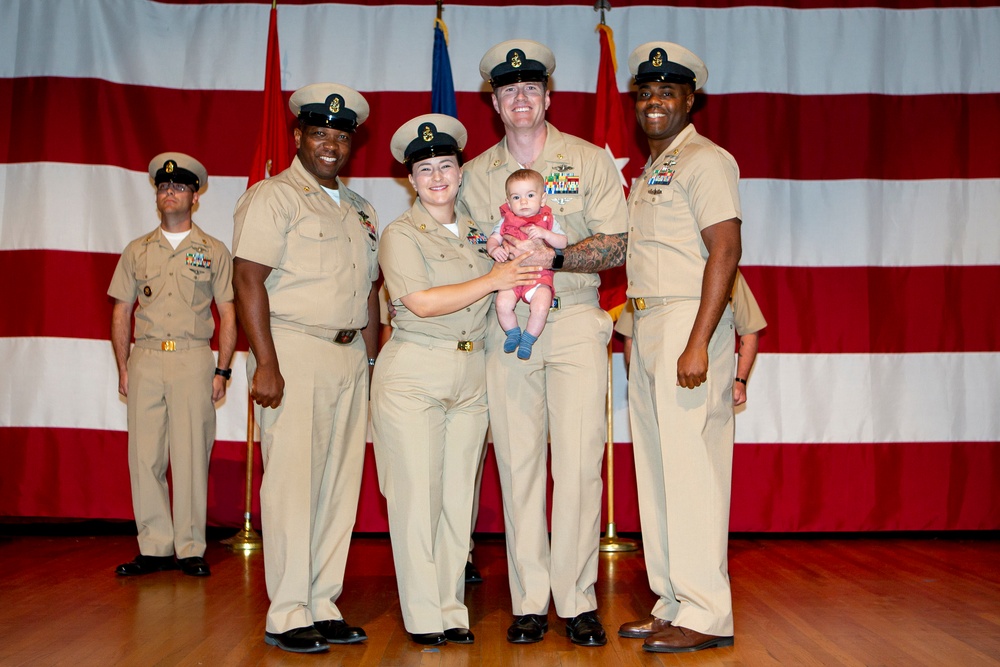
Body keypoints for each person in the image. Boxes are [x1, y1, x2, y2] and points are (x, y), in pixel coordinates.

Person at [460, 39, 628, 647]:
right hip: (505, 329)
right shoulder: (475, 173)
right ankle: (530, 600)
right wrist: (491, 249)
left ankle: (577, 598)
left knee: (581, 464)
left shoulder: (587, 160)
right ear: (496, 105)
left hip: (577, 316)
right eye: (509, 91)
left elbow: (618, 243)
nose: (521, 98)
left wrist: (556, 249)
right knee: (518, 463)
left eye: (531, 88)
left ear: (548, 96)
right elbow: (462, 242)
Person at [371, 114, 539, 647]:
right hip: (416, 371)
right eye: (425, 169)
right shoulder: (400, 234)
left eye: (446, 165)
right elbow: (418, 302)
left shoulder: (479, 230)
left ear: (462, 172)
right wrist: (492, 279)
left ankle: (449, 609)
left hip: (471, 373)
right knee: (417, 497)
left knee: (455, 501)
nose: (438, 177)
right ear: (411, 180)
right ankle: (423, 616)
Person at [232, 83, 379, 654]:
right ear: (298, 136)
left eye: (341, 136)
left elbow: (369, 289)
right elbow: (247, 280)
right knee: (293, 485)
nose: (330, 145)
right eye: (320, 133)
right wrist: (265, 362)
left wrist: (370, 360)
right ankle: (287, 610)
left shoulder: (362, 208)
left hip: (349, 358)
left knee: (339, 486)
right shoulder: (274, 197)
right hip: (291, 349)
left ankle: (322, 601)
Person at [614, 42, 744, 653]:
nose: (654, 102)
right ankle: (672, 600)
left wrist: (697, 343)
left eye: (667, 91)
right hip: (646, 327)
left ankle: (707, 612)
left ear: (692, 99)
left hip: (687, 327)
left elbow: (724, 249)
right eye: (644, 92)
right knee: (658, 471)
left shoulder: (707, 160)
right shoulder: (653, 169)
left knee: (693, 471)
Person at [109, 152, 236, 578]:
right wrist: (124, 366)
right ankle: (154, 547)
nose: (170, 192)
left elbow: (229, 312)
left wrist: (223, 369)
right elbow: (121, 310)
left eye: (179, 187)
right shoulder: (137, 250)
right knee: (144, 458)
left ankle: (190, 547)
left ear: (195, 196)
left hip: (192, 358)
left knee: (190, 456)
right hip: (145, 358)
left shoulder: (213, 250)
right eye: (164, 186)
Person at [615, 271, 766, 406]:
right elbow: (631, 333)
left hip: (706, 384)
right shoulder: (653, 270)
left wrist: (740, 381)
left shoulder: (724, 269)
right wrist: (637, 379)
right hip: (655, 384)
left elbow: (749, 328)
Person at [487, 169, 567, 359]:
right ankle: (513, 332)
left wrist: (546, 234)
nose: (523, 201)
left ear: (542, 199)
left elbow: (563, 242)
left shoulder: (548, 220)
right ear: (508, 202)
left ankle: (528, 339)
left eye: (530, 195)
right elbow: (493, 239)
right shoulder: (505, 220)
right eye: (516, 197)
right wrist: (494, 250)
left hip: (539, 276)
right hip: (511, 276)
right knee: (502, 304)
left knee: (541, 307)